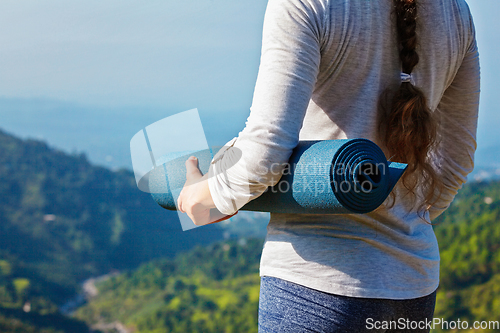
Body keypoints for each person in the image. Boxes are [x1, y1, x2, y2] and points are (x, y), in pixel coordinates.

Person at [178, 0, 480, 331]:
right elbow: (455, 161)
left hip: (316, 284)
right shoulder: (455, 10)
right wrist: (402, 218)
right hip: (413, 289)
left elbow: (264, 151)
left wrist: (203, 195)